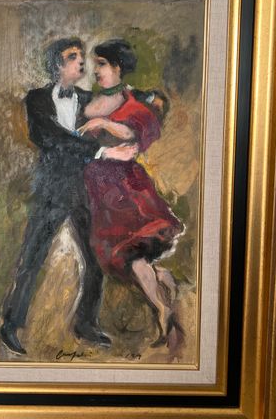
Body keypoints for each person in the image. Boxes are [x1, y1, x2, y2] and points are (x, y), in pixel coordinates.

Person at [0, 38, 140, 355]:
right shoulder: (36, 99)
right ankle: (11, 325)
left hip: (86, 189)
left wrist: (147, 101)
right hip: (50, 189)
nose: (81, 61)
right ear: (57, 65)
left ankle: (86, 324)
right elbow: (50, 138)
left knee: (95, 258)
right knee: (32, 257)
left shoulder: (89, 101)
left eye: (80, 55)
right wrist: (102, 151)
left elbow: (122, 107)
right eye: (72, 56)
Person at [78, 39, 184, 347]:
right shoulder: (90, 101)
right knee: (121, 258)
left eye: (101, 64)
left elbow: (130, 133)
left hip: (124, 188)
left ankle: (163, 311)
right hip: (98, 191)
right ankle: (162, 278)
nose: (96, 70)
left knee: (131, 252)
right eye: (95, 64)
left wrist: (103, 123)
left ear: (118, 67)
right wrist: (98, 132)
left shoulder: (131, 102)